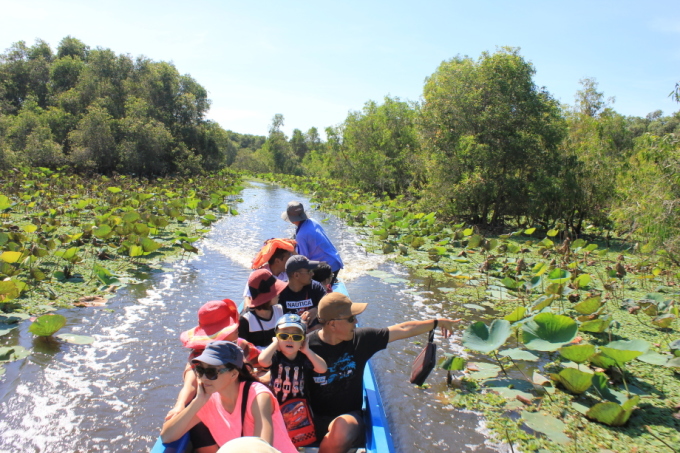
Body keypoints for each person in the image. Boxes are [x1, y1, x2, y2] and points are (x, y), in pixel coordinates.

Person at [307, 292, 462, 453]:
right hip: (311, 416)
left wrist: (437, 322)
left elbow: (402, 329)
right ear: (332, 324)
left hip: (348, 417)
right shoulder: (307, 346)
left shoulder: (361, 340)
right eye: (351, 319)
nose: (356, 322)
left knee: (341, 430)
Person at [161, 341, 297, 453]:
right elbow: (167, 436)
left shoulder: (258, 396)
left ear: (233, 374)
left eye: (211, 372)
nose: (203, 377)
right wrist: (197, 402)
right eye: (200, 370)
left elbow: (261, 448)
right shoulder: (207, 399)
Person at [166, 299, 262, 452]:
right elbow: (190, 385)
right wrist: (180, 405)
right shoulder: (200, 356)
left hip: (236, 405)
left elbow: (261, 361)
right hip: (209, 410)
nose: (237, 330)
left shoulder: (240, 346)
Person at [258, 314, 328, 447]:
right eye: (284, 336)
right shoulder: (275, 356)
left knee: (297, 434)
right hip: (277, 405)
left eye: (296, 337)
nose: (289, 340)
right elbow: (262, 361)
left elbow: (322, 368)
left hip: (298, 406)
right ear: (277, 337)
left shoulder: (303, 358)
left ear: (303, 340)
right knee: (278, 433)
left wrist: (307, 350)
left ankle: (296, 447)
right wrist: (274, 344)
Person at [281, 201, 343, 283]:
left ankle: (327, 281)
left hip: (327, 267)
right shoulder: (312, 221)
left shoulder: (301, 235)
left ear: (291, 220)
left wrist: (292, 251)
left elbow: (303, 259)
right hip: (334, 259)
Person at [239, 269, 287, 349]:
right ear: (267, 297)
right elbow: (243, 352)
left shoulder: (280, 310)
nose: (279, 293)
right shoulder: (245, 321)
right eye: (275, 291)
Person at [243, 239, 295, 308]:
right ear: (277, 261)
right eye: (288, 258)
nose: (291, 260)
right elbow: (248, 298)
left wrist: (292, 250)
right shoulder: (259, 275)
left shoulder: (288, 272)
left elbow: (303, 264)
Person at [278, 255, 326, 328]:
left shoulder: (316, 287)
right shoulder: (280, 292)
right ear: (296, 275)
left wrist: (317, 310)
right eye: (309, 271)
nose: (312, 274)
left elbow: (329, 305)